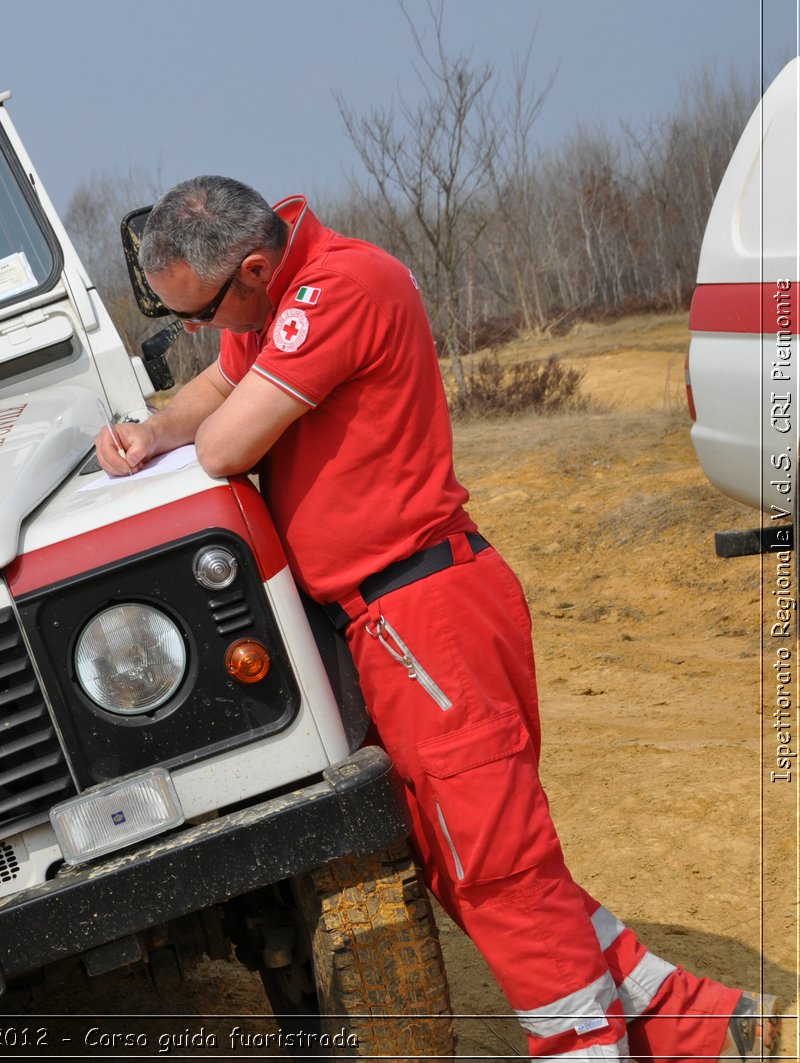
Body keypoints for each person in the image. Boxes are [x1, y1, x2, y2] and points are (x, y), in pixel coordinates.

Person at [95, 176, 776, 1061]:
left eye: (204, 313)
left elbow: (225, 442)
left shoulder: (336, 290)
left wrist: (196, 427)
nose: (205, 334)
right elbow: (209, 397)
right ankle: (697, 1021)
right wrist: (153, 433)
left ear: (253, 270)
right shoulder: (275, 297)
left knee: (499, 865)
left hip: (422, 611)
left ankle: (586, 1047)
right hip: (390, 620)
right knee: (463, 863)